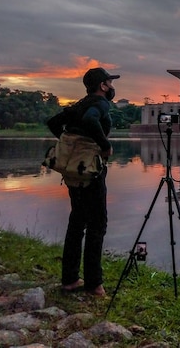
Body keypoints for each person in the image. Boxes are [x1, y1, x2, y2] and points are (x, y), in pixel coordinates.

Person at [47, 67, 120, 296]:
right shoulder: (99, 104)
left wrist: (71, 144)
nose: (112, 86)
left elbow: (53, 123)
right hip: (90, 171)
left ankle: (69, 279)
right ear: (103, 86)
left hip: (72, 171)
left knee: (77, 220)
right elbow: (91, 120)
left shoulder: (79, 104)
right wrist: (104, 145)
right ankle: (94, 284)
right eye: (109, 81)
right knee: (97, 223)